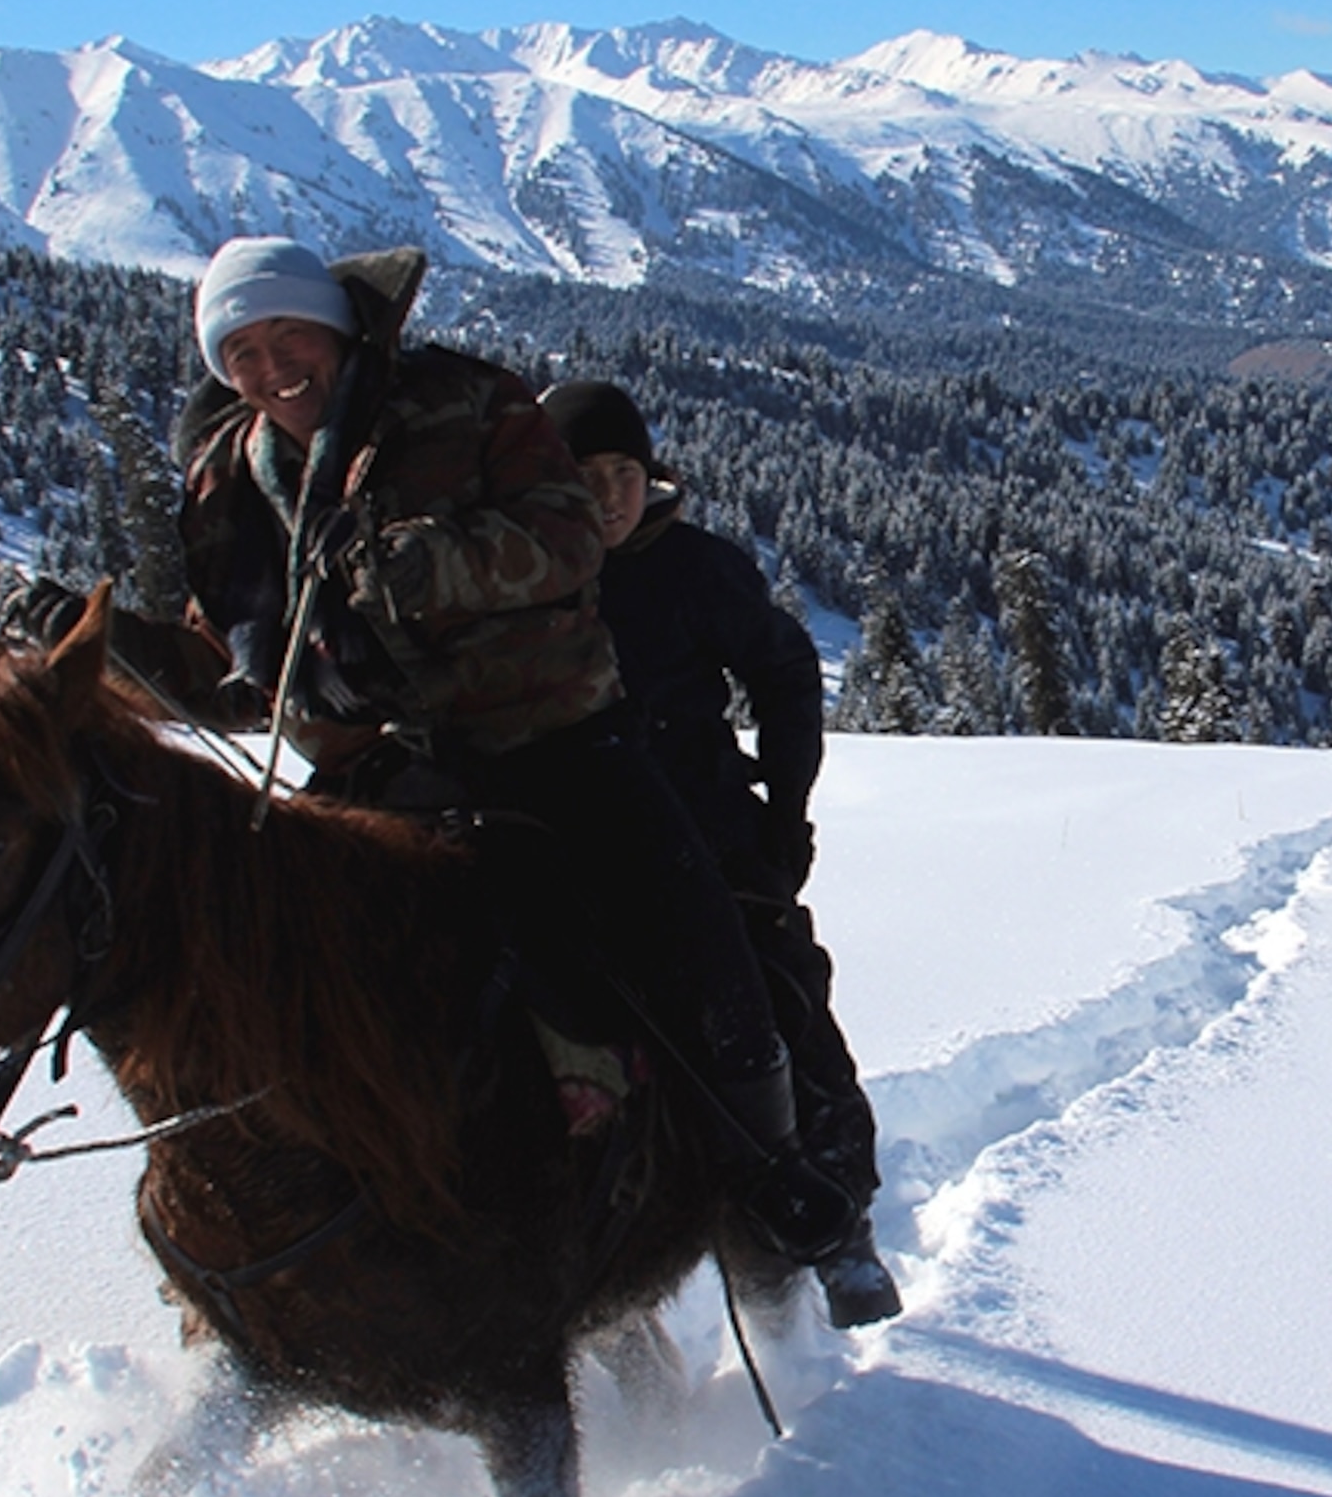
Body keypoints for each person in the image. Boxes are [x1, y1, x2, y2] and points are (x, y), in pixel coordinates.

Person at [161, 236, 864, 1271]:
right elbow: (219, 638)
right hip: (381, 759)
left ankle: (772, 1169)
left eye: (286, 335)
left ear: (339, 325)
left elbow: (567, 533)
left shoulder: (462, 400)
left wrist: (424, 567)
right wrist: (103, 652)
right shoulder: (237, 471)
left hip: (553, 737)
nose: (271, 369)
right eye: (242, 354)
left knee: (708, 942)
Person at [543, 379, 899, 1327]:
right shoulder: (521, 576)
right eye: (586, 475)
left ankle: (830, 1215)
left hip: (704, 827)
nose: (611, 495)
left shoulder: (695, 568)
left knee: (776, 991)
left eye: (626, 472)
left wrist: (784, 806)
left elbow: (783, 673)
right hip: (563, 835)